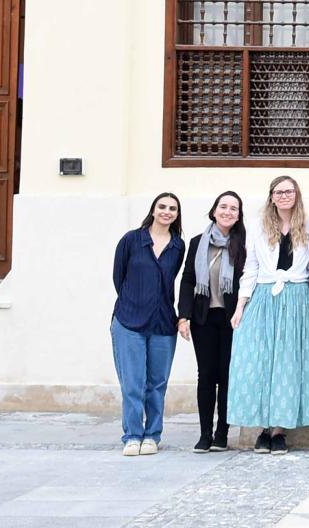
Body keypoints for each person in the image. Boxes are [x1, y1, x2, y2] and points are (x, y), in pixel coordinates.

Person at [228, 177, 309, 455]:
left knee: (288, 363)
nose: (283, 196)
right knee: (259, 360)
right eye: (278, 192)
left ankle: (279, 431)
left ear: (297, 194)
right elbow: (251, 267)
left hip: (296, 297)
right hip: (264, 296)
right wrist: (241, 305)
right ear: (271, 197)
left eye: (289, 191)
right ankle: (263, 427)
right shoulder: (258, 227)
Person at [111, 193, 184, 456]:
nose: (167, 211)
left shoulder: (178, 246)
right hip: (129, 321)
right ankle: (132, 435)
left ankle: (152, 435)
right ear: (153, 210)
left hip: (163, 322)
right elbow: (118, 277)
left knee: (157, 384)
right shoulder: (132, 240)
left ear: (177, 214)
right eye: (162, 206)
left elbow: (170, 281)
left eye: (172, 208)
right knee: (133, 382)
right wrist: (136, 302)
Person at [176, 191, 244, 453]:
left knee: (227, 376)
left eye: (234, 209)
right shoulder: (197, 242)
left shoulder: (242, 244)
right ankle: (204, 433)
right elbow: (188, 280)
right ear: (214, 211)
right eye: (223, 207)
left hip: (231, 319)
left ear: (239, 216)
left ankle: (222, 433)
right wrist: (184, 316)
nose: (228, 212)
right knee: (206, 376)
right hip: (203, 317)